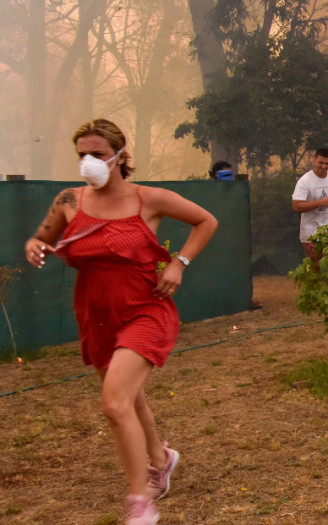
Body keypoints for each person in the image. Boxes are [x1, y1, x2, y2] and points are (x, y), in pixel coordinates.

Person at [24, 119, 218, 524]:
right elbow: (42, 237)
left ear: (119, 155)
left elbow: (206, 220)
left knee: (114, 404)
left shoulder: (148, 199)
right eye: (81, 154)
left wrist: (179, 264)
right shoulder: (68, 201)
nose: (88, 162)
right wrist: (35, 246)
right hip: (95, 315)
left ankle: (140, 505)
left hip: (146, 309)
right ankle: (162, 459)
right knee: (130, 399)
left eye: (96, 153)